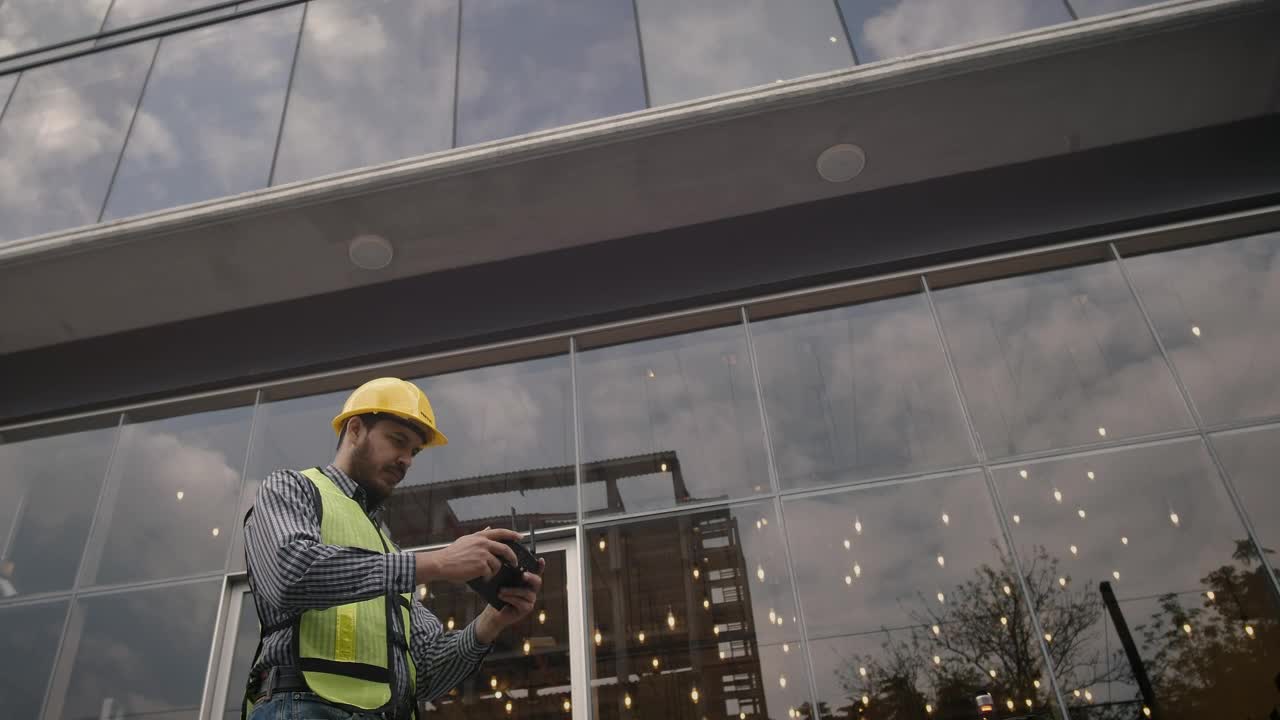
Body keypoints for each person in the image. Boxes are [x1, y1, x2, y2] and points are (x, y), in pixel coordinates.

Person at [242, 377, 543, 719]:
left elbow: (425, 673)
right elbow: (290, 574)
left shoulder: (385, 547)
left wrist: (490, 622)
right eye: (397, 441)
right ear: (355, 430)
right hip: (305, 709)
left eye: (414, 451)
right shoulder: (292, 488)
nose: (407, 460)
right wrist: (438, 562)